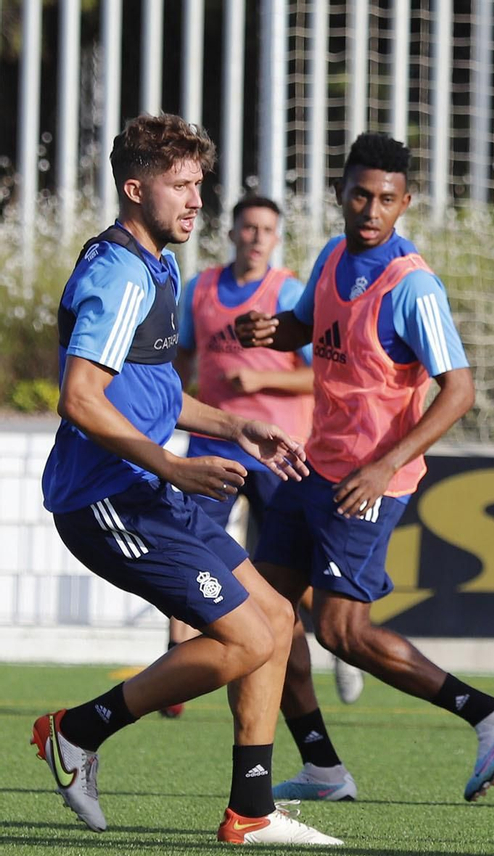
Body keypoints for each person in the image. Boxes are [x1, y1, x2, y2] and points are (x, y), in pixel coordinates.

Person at [32, 112, 339, 846]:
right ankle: (75, 732)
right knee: (243, 639)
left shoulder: (158, 264)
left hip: (149, 489)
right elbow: (79, 397)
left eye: (200, 183)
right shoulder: (118, 274)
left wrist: (236, 424)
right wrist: (171, 461)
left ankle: (251, 811)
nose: (196, 200)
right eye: (180, 185)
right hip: (106, 501)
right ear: (135, 189)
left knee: (277, 622)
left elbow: (154, 388)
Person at [235, 134, 494, 804]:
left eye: (388, 199)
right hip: (317, 466)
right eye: (362, 195)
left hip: (370, 482)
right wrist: (272, 332)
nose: (373, 210)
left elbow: (459, 389)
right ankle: (321, 768)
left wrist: (384, 465)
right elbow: (308, 326)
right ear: (342, 194)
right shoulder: (334, 255)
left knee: (342, 630)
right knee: (263, 613)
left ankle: (489, 714)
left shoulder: (413, 284)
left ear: (407, 202)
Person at [160, 195, 367, 716]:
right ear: (230, 233)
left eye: (265, 230)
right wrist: (168, 398)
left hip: (278, 452)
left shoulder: (290, 291)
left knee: (281, 572)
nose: (255, 237)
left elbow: (319, 373)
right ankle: (178, 654)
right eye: (247, 227)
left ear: (276, 239)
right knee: (190, 548)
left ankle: (336, 635)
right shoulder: (200, 289)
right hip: (212, 444)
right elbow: (184, 354)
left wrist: (260, 377)